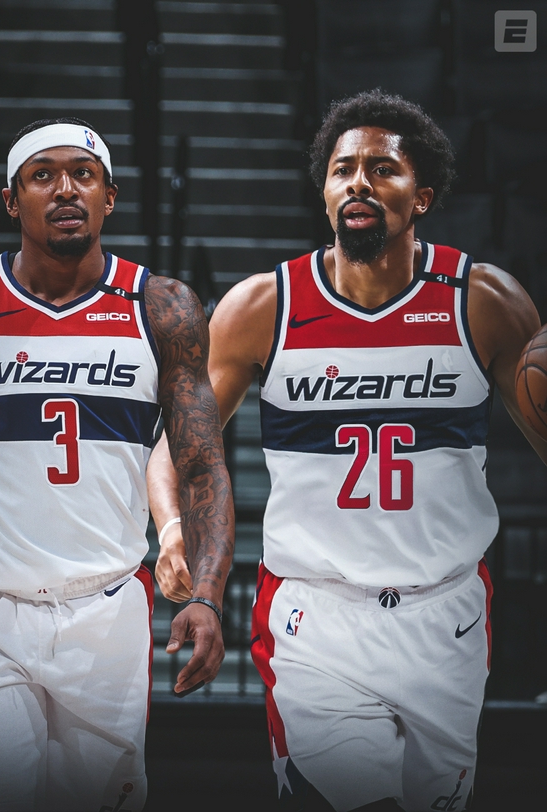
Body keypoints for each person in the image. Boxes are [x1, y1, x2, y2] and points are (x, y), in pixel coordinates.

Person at [146, 89, 547, 812]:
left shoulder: (482, 300)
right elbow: (175, 445)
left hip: (447, 616)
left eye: (382, 169)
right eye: (343, 170)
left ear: (422, 197)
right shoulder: (264, 307)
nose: (358, 182)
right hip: (315, 621)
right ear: (325, 192)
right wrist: (173, 528)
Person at [0, 116, 234, 812]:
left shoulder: (162, 307)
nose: (65, 189)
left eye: (83, 174)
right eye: (41, 175)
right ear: (10, 199)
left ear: (110, 197)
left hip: (105, 614)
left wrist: (206, 592)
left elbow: (202, 466)